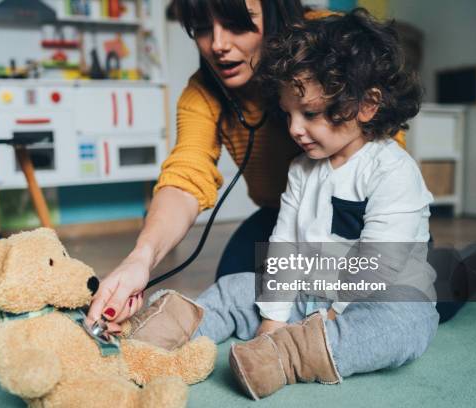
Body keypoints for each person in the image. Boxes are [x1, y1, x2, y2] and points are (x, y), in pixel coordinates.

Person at [122, 8, 439, 400]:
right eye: (287, 113)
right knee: (234, 288)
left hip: (376, 293)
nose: (294, 130)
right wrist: (272, 319)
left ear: (366, 106)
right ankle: (171, 326)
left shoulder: (392, 171)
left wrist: (330, 318)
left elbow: (380, 260)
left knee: (405, 323)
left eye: (308, 114)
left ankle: (287, 358)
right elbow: (285, 245)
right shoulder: (302, 169)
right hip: (313, 289)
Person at [86, 0, 407, 330]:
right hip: (280, 212)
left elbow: (380, 145)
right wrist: (141, 258)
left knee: (400, 297)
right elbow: (185, 178)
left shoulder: (331, 40)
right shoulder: (202, 94)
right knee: (235, 285)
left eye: (238, 24)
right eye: (202, 29)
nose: (219, 45)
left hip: (356, 213)